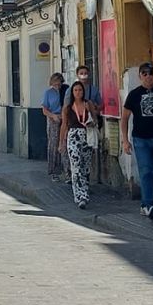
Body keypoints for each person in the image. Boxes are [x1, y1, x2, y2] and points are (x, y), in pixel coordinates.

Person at [121, 61, 153, 220]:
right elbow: (124, 118)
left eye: (151, 73)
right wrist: (125, 140)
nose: (148, 76)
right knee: (145, 170)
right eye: (145, 74)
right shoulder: (134, 95)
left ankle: (145, 205)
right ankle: (149, 205)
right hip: (141, 139)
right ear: (140, 76)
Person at [60, 79, 98, 209]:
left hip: (86, 135)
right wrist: (61, 142)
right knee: (75, 166)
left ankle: (85, 192)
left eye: (80, 90)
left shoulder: (88, 103)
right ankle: (79, 196)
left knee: (85, 167)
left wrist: (91, 117)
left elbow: (95, 120)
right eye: (75, 90)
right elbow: (64, 125)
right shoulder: (68, 108)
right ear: (72, 92)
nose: (78, 92)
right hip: (73, 136)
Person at [41, 72, 66, 176]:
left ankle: (66, 169)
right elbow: (44, 110)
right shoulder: (48, 93)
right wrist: (53, 116)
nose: (57, 85)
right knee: (53, 144)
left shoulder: (65, 90)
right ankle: (53, 170)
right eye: (55, 83)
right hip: (53, 119)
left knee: (64, 142)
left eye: (59, 83)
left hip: (64, 117)